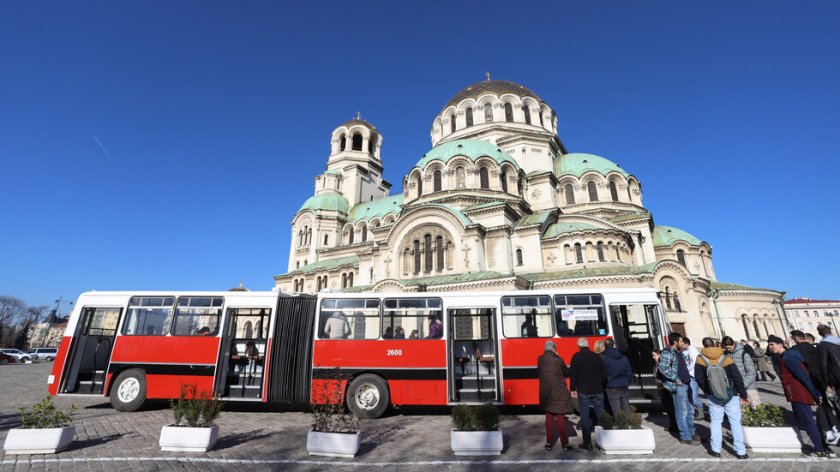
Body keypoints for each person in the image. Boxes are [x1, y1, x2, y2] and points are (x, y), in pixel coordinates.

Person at [769, 334, 828, 457]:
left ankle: (819, 448)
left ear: (780, 345)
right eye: (769, 345)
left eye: (772, 344)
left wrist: (815, 393)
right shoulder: (786, 356)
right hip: (796, 393)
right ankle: (821, 446)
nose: (770, 347)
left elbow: (803, 376)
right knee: (805, 421)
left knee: (807, 421)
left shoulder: (788, 358)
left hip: (798, 393)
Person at [695, 337, 749, 459]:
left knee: (715, 421)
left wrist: (708, 390)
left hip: (713, 395)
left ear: (703, 345)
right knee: (735, 422)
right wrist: (743, 394)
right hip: (731, 394)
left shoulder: (700, 359)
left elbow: (699, 379)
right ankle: (741, 451)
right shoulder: (726, 357)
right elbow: (737, 378)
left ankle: (715, 449)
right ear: (714, 344)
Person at [659, 332, 697, 444]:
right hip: (678, 386)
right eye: (680, 341)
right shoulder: (667, 352)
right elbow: (663, 368)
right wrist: (676, 379)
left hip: (687, 383)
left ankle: (691, 433)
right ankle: (685, 437)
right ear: (675, 342)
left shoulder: (679, 352)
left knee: (690, 411)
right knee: (682, 412)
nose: (682, 342)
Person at [569, 337, 606, 450]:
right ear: (587, 345)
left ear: (578, 346)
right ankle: (603, 440)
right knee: (600, 415)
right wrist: (600, 385)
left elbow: (573, 375)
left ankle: (587, 443)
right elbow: (604, 374)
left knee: (584, 416)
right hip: (598, 389)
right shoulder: (596, 356)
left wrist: (573, 389)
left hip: (584, 390)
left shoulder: (576, 357)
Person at [538, 340, 574, 452]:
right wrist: (558, 356)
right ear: (554, 348)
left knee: (549, 417)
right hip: (558, 392)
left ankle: (548, 443)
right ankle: (565, 445)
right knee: (560, 418)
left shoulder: (540, 359)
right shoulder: (558, 360)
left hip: (546, 392)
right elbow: (567, 373)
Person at [817, 324, 840, 444]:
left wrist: (826, 382)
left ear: (820, 333)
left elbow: (823, 365)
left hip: (837, 378)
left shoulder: (823, 345)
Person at [723, 336, 760, 407]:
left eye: (729, 348)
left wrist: (743, 385)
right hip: (736, 389)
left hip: (749, 388)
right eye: (726, 348)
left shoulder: (744, 354)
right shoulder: (726, 355)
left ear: (733, 344)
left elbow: (751, 372)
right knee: (744, 413)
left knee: (756, 410)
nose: (728, 350)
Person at [602, 338, 633, 417]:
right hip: (623, 386)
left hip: (611, 387)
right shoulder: (624, 357)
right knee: (626, 409)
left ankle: (621, 426)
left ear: (605, 346)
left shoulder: (603, 358)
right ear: (614, 345)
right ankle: (629, 425)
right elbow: (629, 372)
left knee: (616, 411)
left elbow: (602, 374)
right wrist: (627, 382)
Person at [653, 348, 678, 433]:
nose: (653, 357)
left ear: (660, 355)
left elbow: (661, 376)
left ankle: (675, 426)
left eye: (654, 355)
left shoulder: (662, 365)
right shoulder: (657, 364)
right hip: (661, 388)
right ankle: (673, 425)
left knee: (671, 408)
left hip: (666, 388)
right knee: (668, 408)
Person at [683, 337, 704, 418]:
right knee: (692, 395)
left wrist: (686, 370)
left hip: (695, 375)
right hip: (690, 375)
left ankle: (700, 411)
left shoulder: (693, 351)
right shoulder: (684, 351)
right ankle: (699, 412)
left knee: (693, 395)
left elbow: (694, 363)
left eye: (682, 343)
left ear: (686, 344)